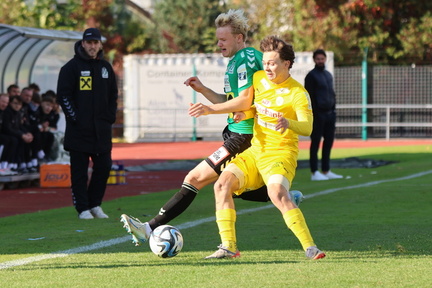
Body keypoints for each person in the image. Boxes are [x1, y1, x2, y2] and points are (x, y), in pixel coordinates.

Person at [120, 9, 303, 246]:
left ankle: (148, 228)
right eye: (218, 39)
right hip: (237, 133)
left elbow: (244, 101)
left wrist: (209, 109)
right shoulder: (236, 62)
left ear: (239, 38)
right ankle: (282, 196)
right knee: (230, 186)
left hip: (244, 135)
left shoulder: (246, 58)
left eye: (223, 39)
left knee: (196, 178)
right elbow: (231, 101)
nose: (219, 44)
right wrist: (204, 90)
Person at [190, 36, 326, 260]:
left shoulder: (298, 93)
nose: (267, 67)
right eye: (265, 63)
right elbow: (252, 104)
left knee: (276, 193)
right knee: (222, 184)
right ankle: (229, 247)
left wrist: (287, 123)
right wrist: (247, 112)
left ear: (286, 64)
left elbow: (308, 127)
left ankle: (310, 247)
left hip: (281, 154)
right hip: (256, 150)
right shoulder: (259, 78)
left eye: (272, 63)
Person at [57, 27, 118, 220]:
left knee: (103, 167)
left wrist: (109, 117)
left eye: (95, 43)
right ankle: (82, 208)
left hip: (101, 130)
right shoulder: (70, 68)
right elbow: (63, 96)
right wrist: (75, 118)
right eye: (89, 42)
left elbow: (113, 96)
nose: (92, 46)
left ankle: (95, 204)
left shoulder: (106, 68)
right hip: (79, 132)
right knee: (79, 173)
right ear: (83, 43)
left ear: (100, 45)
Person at [305, 49, 343, 181]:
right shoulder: (311, 76)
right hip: (318, 114)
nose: (320, 61)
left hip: (330, 114)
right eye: (318, 59)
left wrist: (333, 109)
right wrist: (314, 114)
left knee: (329, 142)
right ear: (314, 60)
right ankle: (314, 171)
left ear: (325, 59)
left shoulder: (328, 74)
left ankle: (326, 170)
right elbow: (309, 96)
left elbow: (331, 93)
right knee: (315, 143)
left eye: (322, 58)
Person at [0, 93, 18, 175]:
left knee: (13, 140)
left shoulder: (4, 112)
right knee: (6, 139)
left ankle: (5, 165)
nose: (5, 104)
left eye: (6, 103)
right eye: (3, 102)